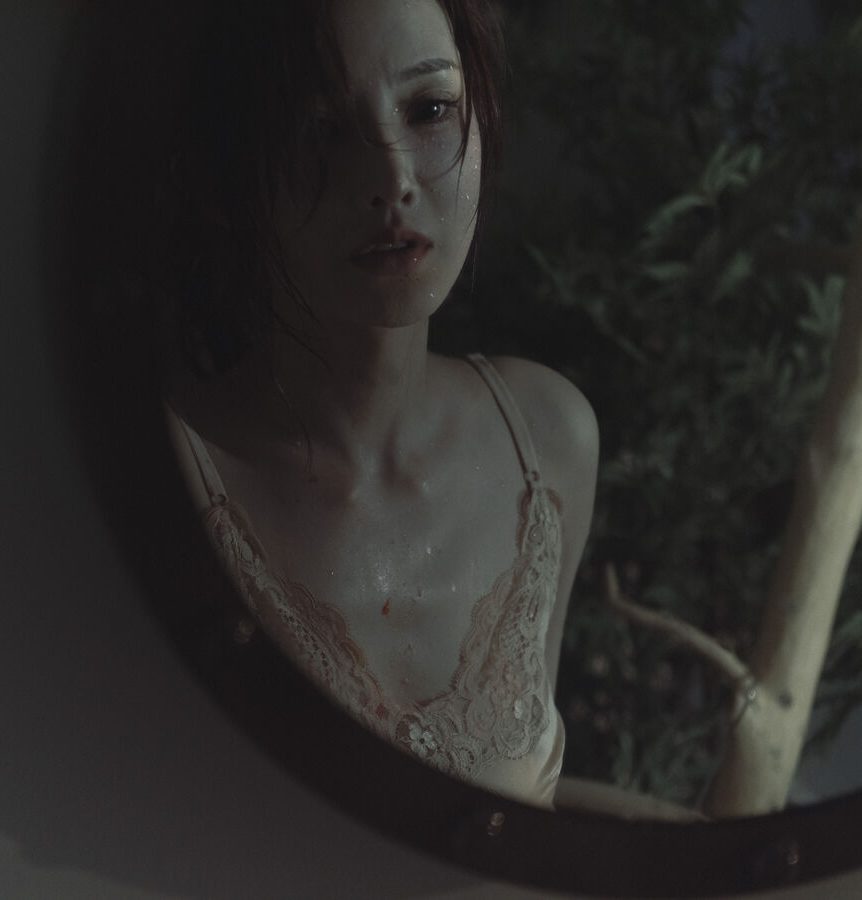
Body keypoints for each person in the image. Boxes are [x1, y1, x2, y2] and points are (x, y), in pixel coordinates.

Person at [150, 0, 600, 810]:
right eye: (320, 129)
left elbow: (524, 814)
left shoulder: (547, 437)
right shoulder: (170, 478)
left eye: (430, 110)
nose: (392, 179)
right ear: (234, 167)